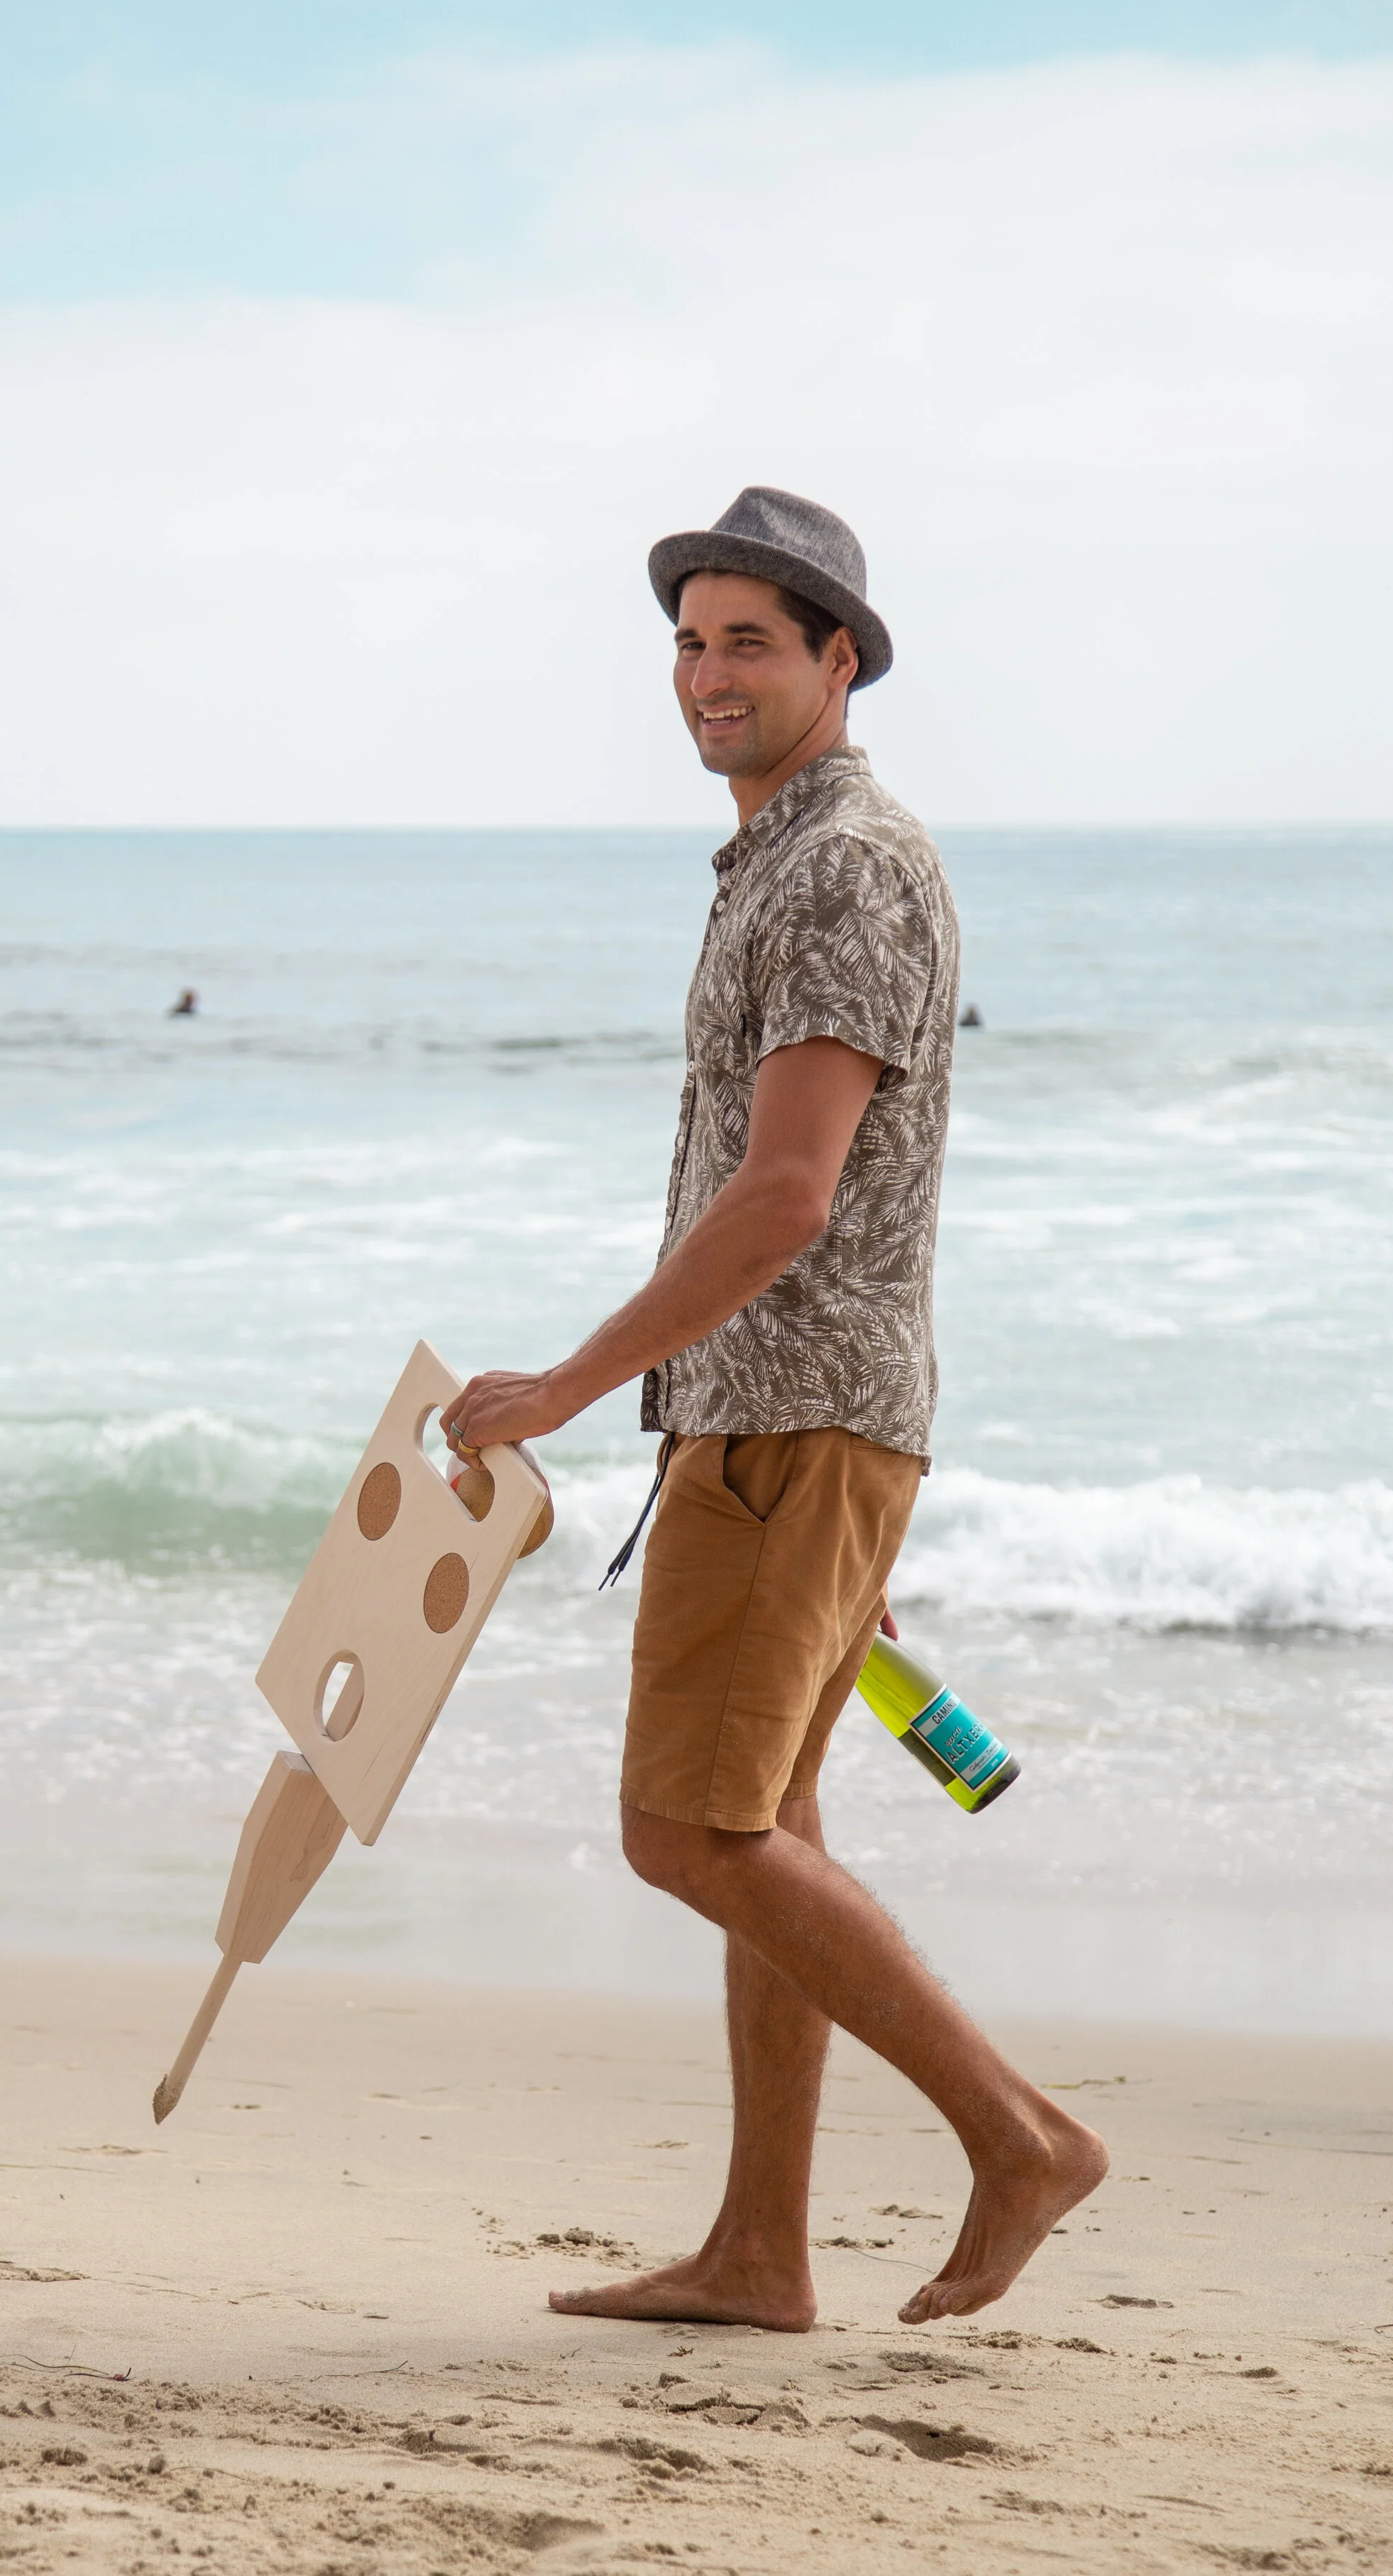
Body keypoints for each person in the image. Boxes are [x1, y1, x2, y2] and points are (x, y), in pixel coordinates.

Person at [441, 486, 1106, 2330]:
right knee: (769, 1820)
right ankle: (760, 2251)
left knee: (690, 1831)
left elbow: (787, 1194)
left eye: (749, 639)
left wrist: (569, 1385)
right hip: (796, 1419)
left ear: (839, 660)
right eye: (688, 639)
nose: (707, 672)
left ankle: (1021, 2137)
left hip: (795, 1415)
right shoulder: (781, 858)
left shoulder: (841, 867)